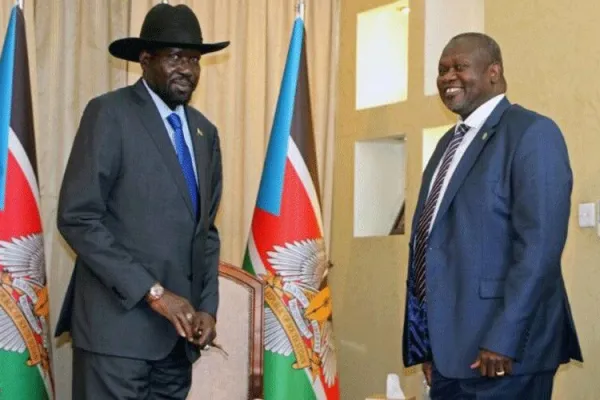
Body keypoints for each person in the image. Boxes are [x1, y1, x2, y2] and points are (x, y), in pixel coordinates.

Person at [53, 4, 229, 398]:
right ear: (145, 60)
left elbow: (207, 232)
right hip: (115, 337)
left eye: (195, 60)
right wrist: (154, 293)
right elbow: (78, 218)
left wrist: (207, 308)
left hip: (176, 345)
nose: (187, 69)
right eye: (176, 57)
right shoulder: (109, 113)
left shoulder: (205, 133)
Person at [402, 32, 582, 399]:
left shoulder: (531, 132)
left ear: (493, 73)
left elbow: (539, 246)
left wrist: (504, 338)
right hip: (450, 353)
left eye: (460, 67)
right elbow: (429, 245)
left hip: (503, 354)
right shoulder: (445, 145)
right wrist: (428, 343)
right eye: (442, 70)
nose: (448, 77)